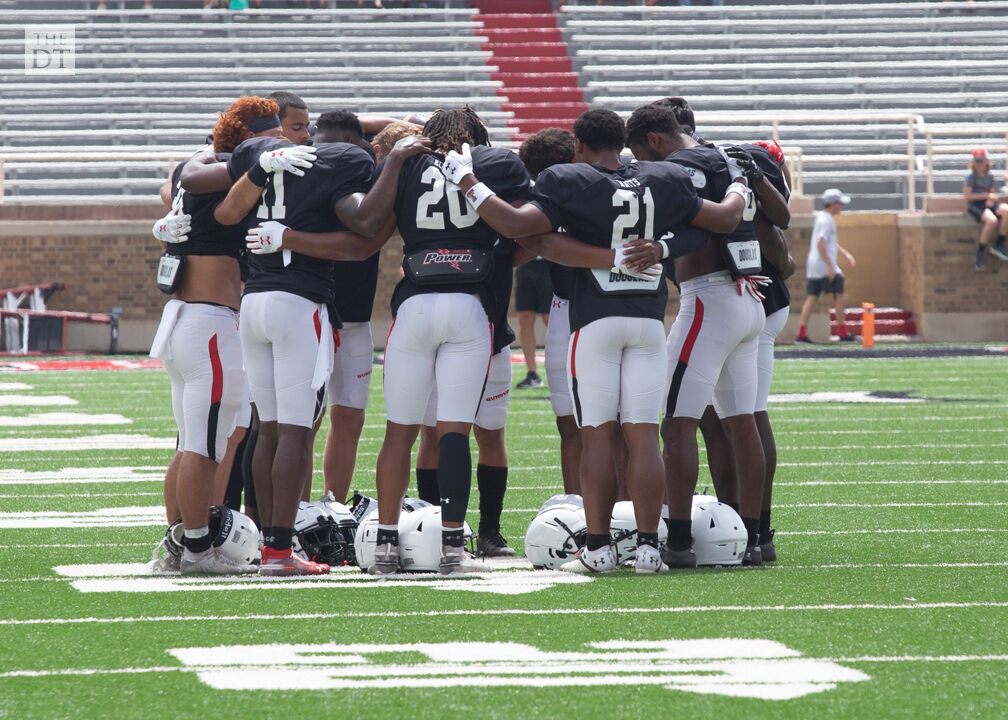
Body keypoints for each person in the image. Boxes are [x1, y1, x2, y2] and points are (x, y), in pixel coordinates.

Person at [442, 107, 748, 574]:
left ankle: (600, 547)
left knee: (597, 436)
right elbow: (724, 220)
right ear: (622, 141)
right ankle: (649, 548)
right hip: (648, 322)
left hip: (596, 321)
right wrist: (737, 183)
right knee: (644, 436)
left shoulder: (569, 179)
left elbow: (518, 226)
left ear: (579, 146)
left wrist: (467, 181)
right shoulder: (661, 177)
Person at [624, 103, 774, 568]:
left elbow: (706, 225)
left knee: (677, 422)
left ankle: (681, 540)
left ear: (653, 139)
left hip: (709, 299)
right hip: (748, 296)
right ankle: (756, 537)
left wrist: (663, 246)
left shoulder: (680, 167)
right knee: (742, 420)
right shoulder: (723, 157)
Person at [147, 96, 286, 575]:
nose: (283, 143)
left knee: (207, 438)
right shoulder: (226, 166)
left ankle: (178, 542)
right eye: (275, 135)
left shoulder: (203, 158)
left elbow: (177, 183)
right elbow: (198, 182)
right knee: (205, 444)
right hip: (210, 321)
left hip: (188, 317)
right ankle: (197, 548)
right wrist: (260, 165)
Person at [518, 127, 582, 495]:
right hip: (625, 306)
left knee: (573, 427)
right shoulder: (616, 184)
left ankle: (579, 512)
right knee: (629, 427)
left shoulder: (543, 197)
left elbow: (518, 229)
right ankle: (636, 522)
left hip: (570, 309)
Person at [796, 188, 856, 343]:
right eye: (840, 203)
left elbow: (829, 243)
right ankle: (843, 332)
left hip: (814, 265)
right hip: (824, 265)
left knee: (812, 297)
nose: (842, 206)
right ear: (833, 204)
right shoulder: (826, 219)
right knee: (840, 296)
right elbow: (821, 244)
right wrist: (830, 265)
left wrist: (845, 254)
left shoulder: (821, 217)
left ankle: (801, 334)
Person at [962, 147, 1008, 270]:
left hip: (987, 202)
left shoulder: (990, 176)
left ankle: (999, 243)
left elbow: (991, 193)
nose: (979, 164)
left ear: (987, 161)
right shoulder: (971, 176)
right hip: (976, 204)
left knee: (1006, 211)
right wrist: (985, 196)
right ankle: (981, 252)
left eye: (981, 161)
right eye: (977, 161)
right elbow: (968, 196)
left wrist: (991, 199)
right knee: (992, 221)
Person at [513, 258, 551, 389]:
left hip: (551, 261)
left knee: (550, 317)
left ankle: (565, 372)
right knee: (525, 317)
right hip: (526, 260)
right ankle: (532, 374)